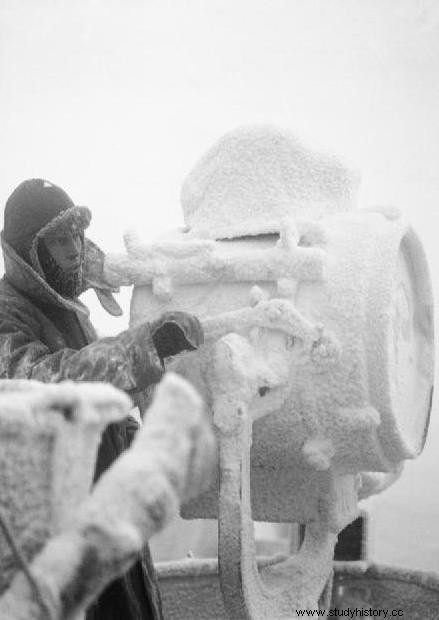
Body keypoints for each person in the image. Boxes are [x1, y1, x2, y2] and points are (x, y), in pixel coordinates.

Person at [0, 178, 204, 620]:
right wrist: (142, 348)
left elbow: (97, 414)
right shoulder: (5, 312)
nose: (74, 248)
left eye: (76, 234)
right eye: (57, 239)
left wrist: (136, 442)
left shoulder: (66, 312)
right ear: (26, 251)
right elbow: (43, 383)